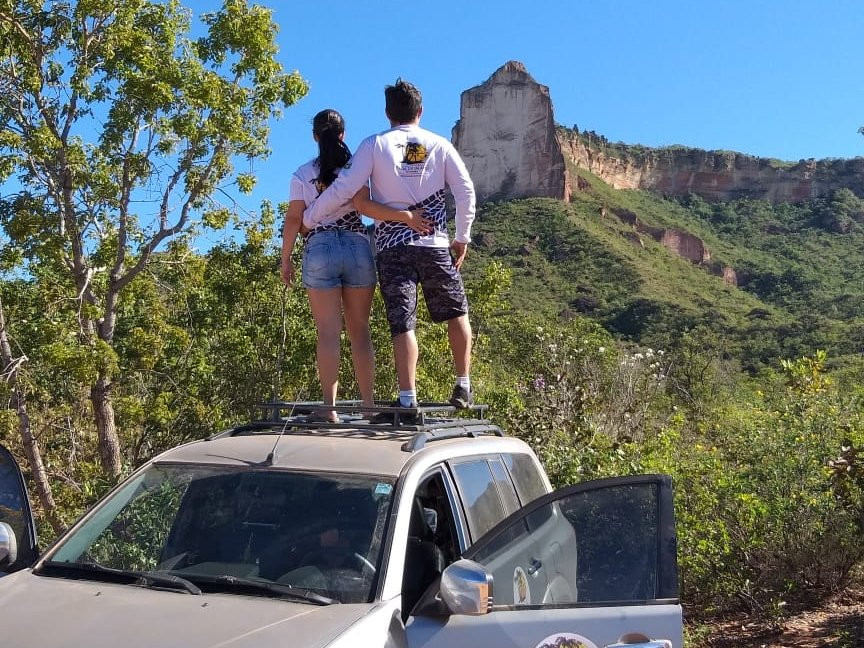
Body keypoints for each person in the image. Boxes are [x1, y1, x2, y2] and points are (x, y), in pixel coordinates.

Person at [303, 80, 476, 415]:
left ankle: (408, 397)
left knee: (403, 322)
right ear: (420, 112)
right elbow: (465, 190)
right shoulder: (439, 145)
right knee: (456, 312)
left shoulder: (374, 145)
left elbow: (345, 190)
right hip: (434, 242)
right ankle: (463, 383)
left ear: (387, 113)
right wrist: (462, 237)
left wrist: (310, 217)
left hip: (392, 247)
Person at [281, 109, 432, 421]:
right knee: (359, 331)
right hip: (357, 243)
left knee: (327, 332)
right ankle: (367, 405)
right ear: (343, 135)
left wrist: (285, 259)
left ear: (314, 136)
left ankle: (329, 408)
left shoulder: (300, 174)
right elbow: (369, 203)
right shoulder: (355, 170)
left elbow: (294, 219)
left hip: (320, 246)